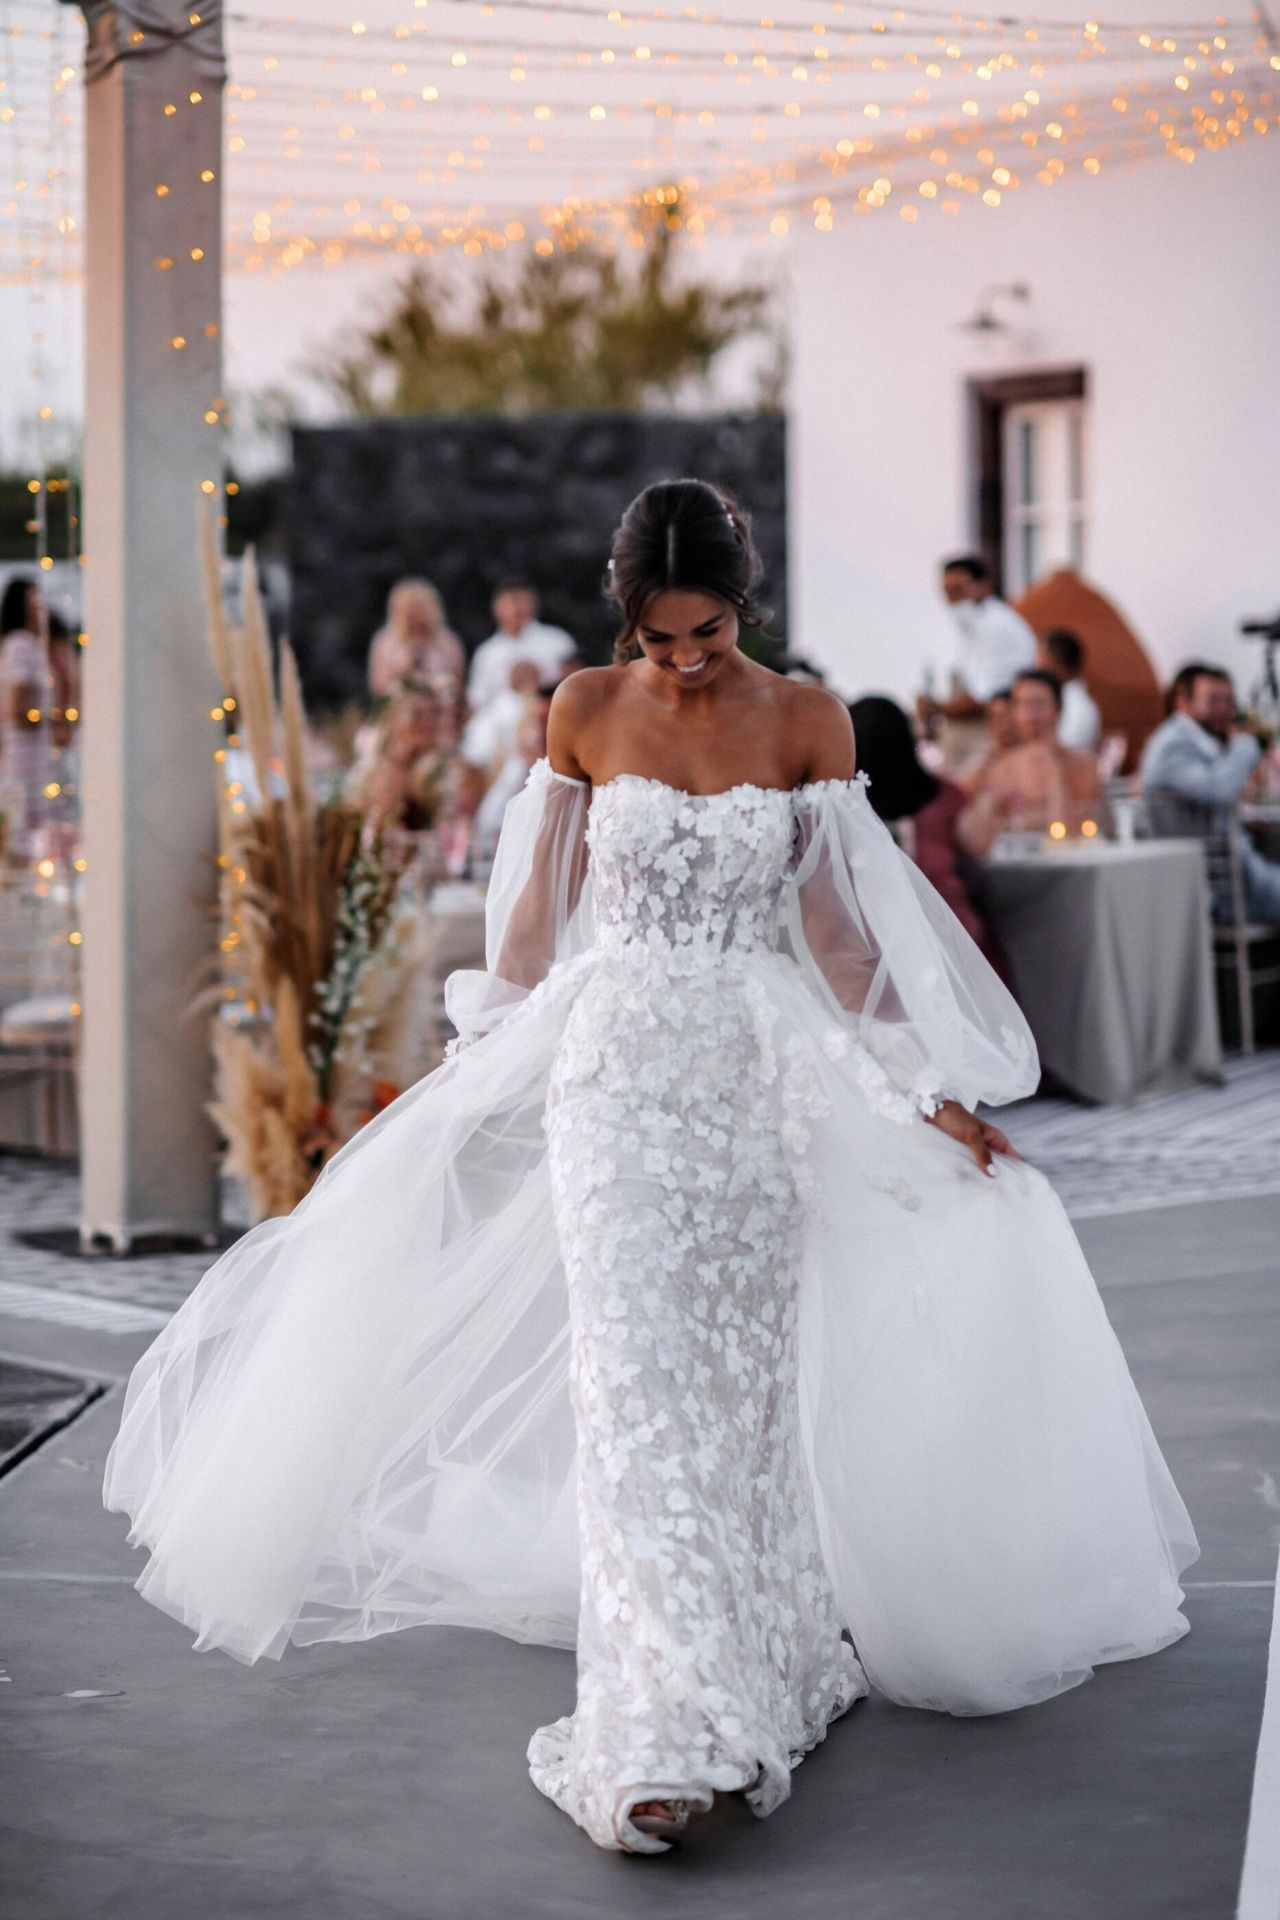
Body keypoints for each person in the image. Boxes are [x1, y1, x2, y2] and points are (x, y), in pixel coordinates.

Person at [105, 479, 1195, 1858]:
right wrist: (479, 1060)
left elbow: (838, 937)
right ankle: (654, 1725)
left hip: (751, 1089)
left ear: (745, 604)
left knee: (737, 1395)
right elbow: (535, 923)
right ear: (627, 618)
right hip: (612, 1082)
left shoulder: (805, 719)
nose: (683, 660)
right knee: (631, 1389)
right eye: (660, 636)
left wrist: (923, 1089)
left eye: (708, 633)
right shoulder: (579, 709)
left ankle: (762, 1643)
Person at [849, 694, 1001, 965]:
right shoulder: (940, 794)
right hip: (949, 932)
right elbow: (976, 847)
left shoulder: (845, 804)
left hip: (869, 939)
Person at [1140, 662, 1280, 924]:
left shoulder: (1193, 742)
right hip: (1220, 889)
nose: (1224, 710)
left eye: (1229, 701)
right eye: (1213, 700)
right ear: (1182, 701)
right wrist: (1247, 743)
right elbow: (1220, 789)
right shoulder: (1173, 745)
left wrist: (1243, 823)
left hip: (1231, 877)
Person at [920, 554, 1037, 739]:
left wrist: (935, 709)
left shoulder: (997, 625)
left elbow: (982, 700)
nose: (952, 600)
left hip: (992, 731)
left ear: (984, 586)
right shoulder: (973, 625)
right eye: (947, 592)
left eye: (958, 590)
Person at [976, 668, 1105, 833]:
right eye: (1022, 704)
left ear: (1058, 709)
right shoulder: (1001, 770)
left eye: (1039, 704)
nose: (1031, 715)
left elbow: (1089, 822)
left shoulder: (1085, 766)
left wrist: (1054, 777)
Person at [0, 574, 55, 848]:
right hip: (25, 756)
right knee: (22, 831)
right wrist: (55, 718)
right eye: (35, 601)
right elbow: (18, 707)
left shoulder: (26, 644)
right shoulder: (20, 645)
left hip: (29, 754)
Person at [465, 578, 575, 714]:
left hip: (551, 717)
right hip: (500, 723)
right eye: (513, 600)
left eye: (524, 600)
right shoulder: (487, 653)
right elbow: (477, 701)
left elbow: (573, 687)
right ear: (497, 607)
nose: (518, 607)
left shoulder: (558, 641)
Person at [367, 578, 465, 702]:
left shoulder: (448, 641)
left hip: (440, 705)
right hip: (399, 705)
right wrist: (404, 671)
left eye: (421, 606)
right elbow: (379, 687)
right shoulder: (385, 642)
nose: (417, 612)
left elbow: (457, 683)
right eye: (411, 607)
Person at [1038, 627, 1101, 752]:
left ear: (1058, 667)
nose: (1037, 667)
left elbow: (1064, 754)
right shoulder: (1066, 701)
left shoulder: (1078, 709)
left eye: (1041, 661)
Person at [955, 686, 1019, 795]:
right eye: (995, 718)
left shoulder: (1038, 759)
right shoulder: (978, 765)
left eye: (1008, 716)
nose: (1004, 725)